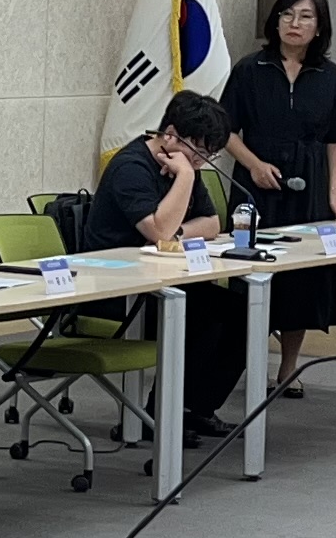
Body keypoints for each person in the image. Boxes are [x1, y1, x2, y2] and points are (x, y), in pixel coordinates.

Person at [220, 0, 336, 395]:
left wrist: (334, 194)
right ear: (275, 21)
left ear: (319, 27)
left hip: (309, 187)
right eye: (287, 14)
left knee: (301, 280)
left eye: (306, 16)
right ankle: (240, 364)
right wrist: (253, 165)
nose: (294, 23)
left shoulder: (331, 77)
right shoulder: (250, 69)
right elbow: (225, 130)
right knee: (251, 274)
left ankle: (288, 367)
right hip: (256, 188)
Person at [79, 89, 244, 425]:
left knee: (242, 313)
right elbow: (159, 232)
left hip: (158, 283)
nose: (201, 161)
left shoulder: (184, 162)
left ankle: (196, 408)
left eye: (209, 154)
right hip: (115, 290)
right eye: (198, 151)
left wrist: (176, 232)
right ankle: (164, 414)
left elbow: (212, 224)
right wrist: (185, 178)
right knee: (203, 314)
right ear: (170, 134)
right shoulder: (131, 167)